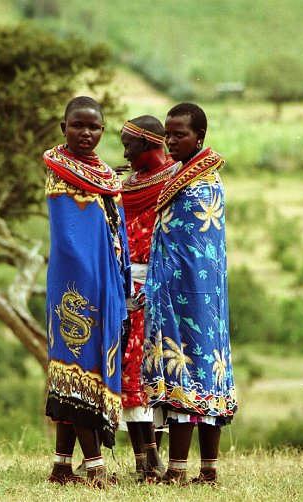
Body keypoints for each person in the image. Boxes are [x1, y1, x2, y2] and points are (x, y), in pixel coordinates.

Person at [143, 103, 237, 485]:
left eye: (179, 134)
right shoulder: (184, 177)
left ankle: (189, 471)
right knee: (196, 371)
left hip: (191, 293)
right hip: (188, 293)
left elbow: (188, 243)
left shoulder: (201, 184)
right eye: (167, 134)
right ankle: (197, 470)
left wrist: (157, 282)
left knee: (190, 371)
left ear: (200, 137)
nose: (171, 141)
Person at [43, 96, 131, 486]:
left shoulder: (105, 175)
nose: (86, 133)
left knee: (85, 367)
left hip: (102, 281)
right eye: (78, 125)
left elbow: (112, 232)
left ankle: (63, 465)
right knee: (76, 366)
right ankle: (94, 467)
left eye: (94, 127)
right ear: (63, 127)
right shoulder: (60, 172)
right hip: (75, 286)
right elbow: (70, 239)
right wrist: (94, 281)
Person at [119, 116, 179, 481]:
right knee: (130, 370)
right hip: (127, 286)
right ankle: (145, 459)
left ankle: (152, 458)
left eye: (128, 143)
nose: (124, 150)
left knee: (152, 371)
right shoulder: (128, 183)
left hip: (161, 286)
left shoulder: (174, 181)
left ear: (148, 145)